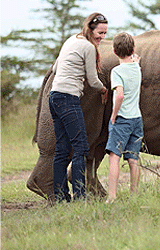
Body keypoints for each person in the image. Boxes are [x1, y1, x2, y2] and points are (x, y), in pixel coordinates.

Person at [48, 12, 109, 203]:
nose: (102, 37)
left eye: (105, 33)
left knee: (62, 149)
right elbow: (92, 79)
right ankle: (80, 196)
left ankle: (59, 196)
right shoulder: (88, 47)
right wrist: (104, 89)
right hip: (68, 99)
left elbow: (55, 68)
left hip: (55, 96)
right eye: (100, 32)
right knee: (81, 147)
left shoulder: (71, 40)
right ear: (90, 29)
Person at [105, 32, 143, 203]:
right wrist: (136, 60)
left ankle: (112, 196)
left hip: (122, 119)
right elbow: (135, 63)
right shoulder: (137, 68)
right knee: (133, 158)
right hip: (137, 118)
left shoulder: (116, 71)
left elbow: (119, 96)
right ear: (133, 49)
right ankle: (134, 195)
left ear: (114, 52)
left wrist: (114, 115)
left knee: (114, 156)